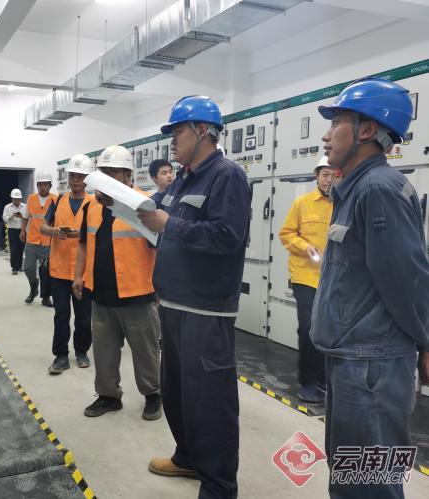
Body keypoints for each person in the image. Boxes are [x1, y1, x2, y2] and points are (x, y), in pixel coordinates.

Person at [313, 77, 429, 498]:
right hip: (356, 358)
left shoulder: (378, 189)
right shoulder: (356, 187)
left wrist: (426, 343)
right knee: (352, 476)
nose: (326, 135)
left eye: (337, 122)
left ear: (366, 130)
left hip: (372, 365)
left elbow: (407, 278)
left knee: (370, 484)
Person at [139, 96, 250, 499]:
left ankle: (219, 486)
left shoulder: (227, 176)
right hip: (173, 304)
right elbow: (159, 218)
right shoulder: (183, 179)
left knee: (209, 402)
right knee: (177, 394)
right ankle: (188, 457)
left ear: (203, 131)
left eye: (178, 131)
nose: (172, 140)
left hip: (205, 310)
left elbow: (227, 237)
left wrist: (168, 224)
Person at [73, 145, 162, 421]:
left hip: (138, 293)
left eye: (114, 172)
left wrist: (162, 286)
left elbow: (160, 247)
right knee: (104, 352)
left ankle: (153, 394)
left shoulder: (146, 204)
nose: (108, 177)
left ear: (127, 175)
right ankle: (108, 396)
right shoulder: (92, 205)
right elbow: (83, 244)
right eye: (104, 172)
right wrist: (78, 276)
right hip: (101, 294)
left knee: (145, 352)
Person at [279, 155, 339, 403]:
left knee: (332, 330)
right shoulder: (303, 203)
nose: (329, 179)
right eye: (325, 174)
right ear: (316, 176)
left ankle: (326, 380)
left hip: (336, 278)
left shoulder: (346, 203)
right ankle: (308, 382)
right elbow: (286, 234)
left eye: (334, 175)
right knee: (309, 328)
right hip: (306, 276)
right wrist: (305, 247)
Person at [41, 155, 94, 374]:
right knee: (61, 316)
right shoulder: (59, 200)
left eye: (80, 176)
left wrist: (79, 234)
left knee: (84, 317)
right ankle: (61, 356)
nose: (76, 180)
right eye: (73, 175)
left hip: (84, 272)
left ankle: (81, 351)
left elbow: (97, 233)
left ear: (87, 178)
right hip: (59, 270)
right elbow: (43, 226)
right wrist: (54, 231)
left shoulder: (94, 203)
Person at [21, 172, 56, 306]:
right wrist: (22, 230)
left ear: (50, 185)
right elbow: (26, 217)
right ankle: (34, 286)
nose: (42, 187)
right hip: (32, 240)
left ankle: (46, 298)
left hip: (48, 242)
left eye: (45, 184)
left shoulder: (56, 199)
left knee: (46, 272)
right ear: (37, 186)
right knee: (28, 268)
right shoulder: (31, 199)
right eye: (40, 185)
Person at [2, 188, 27, 275]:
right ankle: (14, 268)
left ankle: (19, 266)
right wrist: (11, 216)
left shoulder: (25, 206)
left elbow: (28, 218)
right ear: (12, 198)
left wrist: (22, 216)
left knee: (21, 249)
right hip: (12, 230)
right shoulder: (7, 207)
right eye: (15, 199)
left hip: (22, 230)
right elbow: (4, 218)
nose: (16, 201)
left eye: (18, 199)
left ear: (20, 198)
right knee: (14, 249)